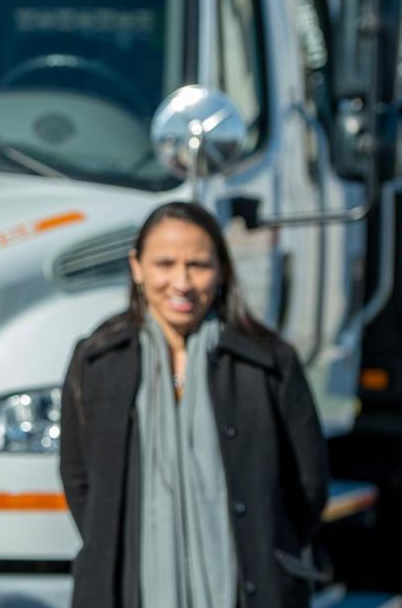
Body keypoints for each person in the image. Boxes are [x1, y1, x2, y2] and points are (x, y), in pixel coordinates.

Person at [58, 201, 328, 608]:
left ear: (221, 269)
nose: (181, 283)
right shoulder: (98, 360)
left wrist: (263, 546)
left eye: (197, 265)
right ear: (137, 267)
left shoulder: (268, 362)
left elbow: (308, 486)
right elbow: (79, 480)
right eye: (164, 264)